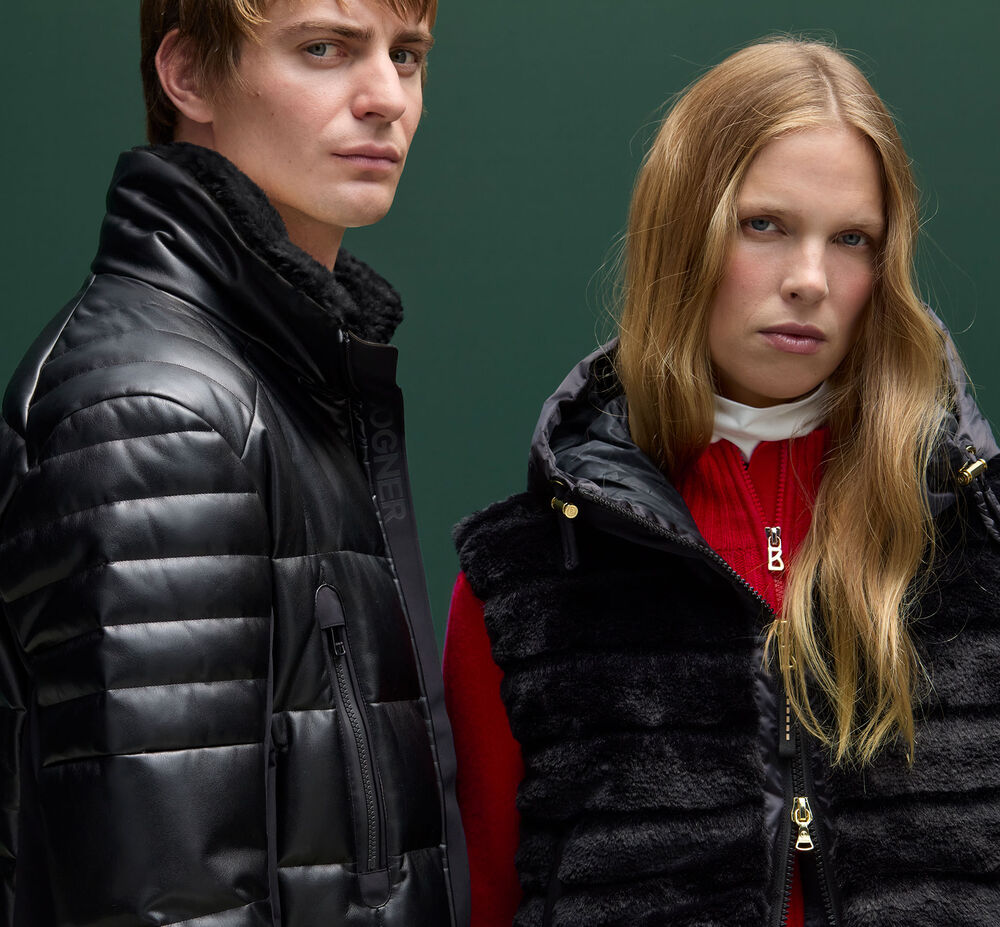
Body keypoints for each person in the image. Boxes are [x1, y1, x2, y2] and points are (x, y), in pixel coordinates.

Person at [444, 38, 1000, 927]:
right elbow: (486, 901)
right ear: (684, 231)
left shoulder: (981, 548)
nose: (810, 280)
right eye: (765, 224)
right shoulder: (524, 581)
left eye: (851, 239)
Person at [0, 1, 470, 924]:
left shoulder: (286, 371)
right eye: (326, 49)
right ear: (189, 77)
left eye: (407, 55)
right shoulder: (154, 413)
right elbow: (170, 906)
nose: (387, 99)